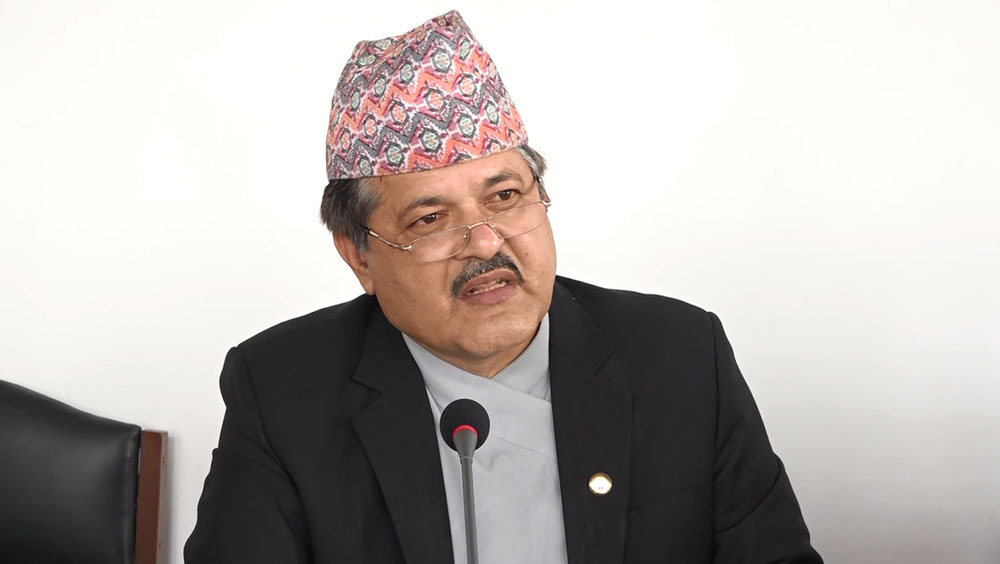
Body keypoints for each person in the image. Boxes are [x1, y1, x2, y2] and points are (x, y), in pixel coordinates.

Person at [185, 10, 822, 564]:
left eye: (506, 196)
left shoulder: (680, 355)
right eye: (430, 219)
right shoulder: (281, 389)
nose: (486, 243)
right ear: (359, 256)